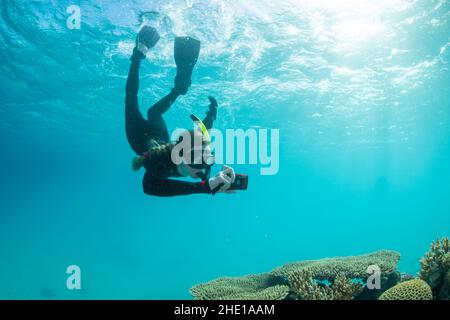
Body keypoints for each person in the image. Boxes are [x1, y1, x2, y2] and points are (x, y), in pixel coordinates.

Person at [125, 26, 235, 197]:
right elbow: (149, 186)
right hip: (150, 138)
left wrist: (212, 185)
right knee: (140, 105)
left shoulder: (198, 161)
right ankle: (139, 57)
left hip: (138, 135)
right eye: (203, 162)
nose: (203, 169)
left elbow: (202, 134)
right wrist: (205, 187)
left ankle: (176, 87)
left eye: (206, 161)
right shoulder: (160, 165)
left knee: (142, 105)